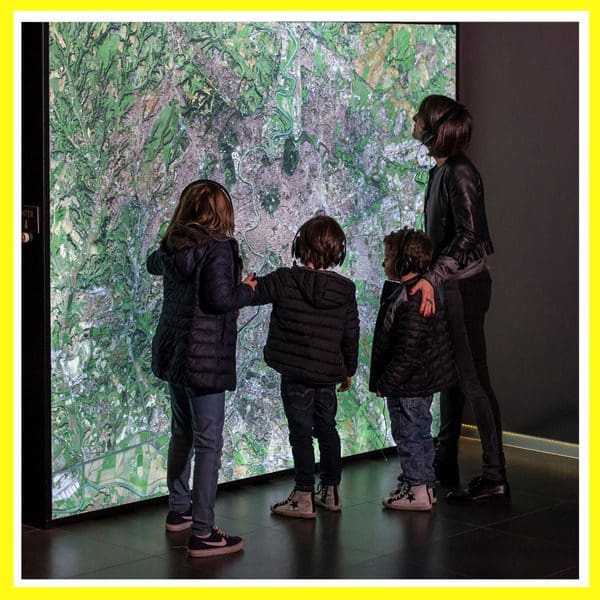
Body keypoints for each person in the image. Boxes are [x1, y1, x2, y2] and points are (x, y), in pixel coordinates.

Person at [147, 179, 257, 557]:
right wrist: (248, 288)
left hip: (174, 353)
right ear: (221, 212)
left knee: (182, 433)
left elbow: (153, 264)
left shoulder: (173, 245)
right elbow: (220, 299)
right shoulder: (219, 248)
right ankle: (204, 531)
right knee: (209, 443)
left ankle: (179, 510)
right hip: (205, 357)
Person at [410, 94, 510, 503]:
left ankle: (494, 475)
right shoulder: (443, 172)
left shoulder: (460, 173)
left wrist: (434, 275)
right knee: (452, 379)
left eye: (419, 117)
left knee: (473, 382)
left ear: (434, 128)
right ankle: (444, 461)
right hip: (450, 284)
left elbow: (470, 236)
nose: (413, 121)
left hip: (463, 288)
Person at [248, 215, 360, 518]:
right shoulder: (345, 289)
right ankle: (332, 491)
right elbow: (351, 334)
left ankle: (303, 495)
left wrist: (244, 284)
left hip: (295, 374)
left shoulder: (286, 279)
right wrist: (348, 369)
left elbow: (251, 293)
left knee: (300, 432)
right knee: (327, 429)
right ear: (337, 250)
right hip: (327, 375)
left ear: (301, 244)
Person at [369, 227, 456, 511]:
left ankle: (418, 489)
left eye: (387, 257)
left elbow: (407, 353)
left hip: (408, 385)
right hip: (418, 383)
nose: (384, 263)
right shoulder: (415, 293)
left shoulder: (413, 299)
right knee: (419, 431)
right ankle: (424, 486)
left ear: (403, 262)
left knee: (409, 433)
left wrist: (387, 382)